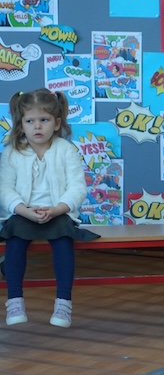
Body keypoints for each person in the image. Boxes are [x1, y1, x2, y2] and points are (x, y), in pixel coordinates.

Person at [1, 89, 97, 328]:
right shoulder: (12, 152)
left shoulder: (65, 150)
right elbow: (4, 189)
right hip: (23, 213)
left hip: (57, 212)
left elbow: (77, 187)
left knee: (63, 239)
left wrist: (57, 209)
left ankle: (64, 302)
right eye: (30, 121)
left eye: (44, 120)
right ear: (21, 125)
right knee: (15, 240)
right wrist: (23, 210)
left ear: (56, 124)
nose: (37, 127)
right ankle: (14, 300)